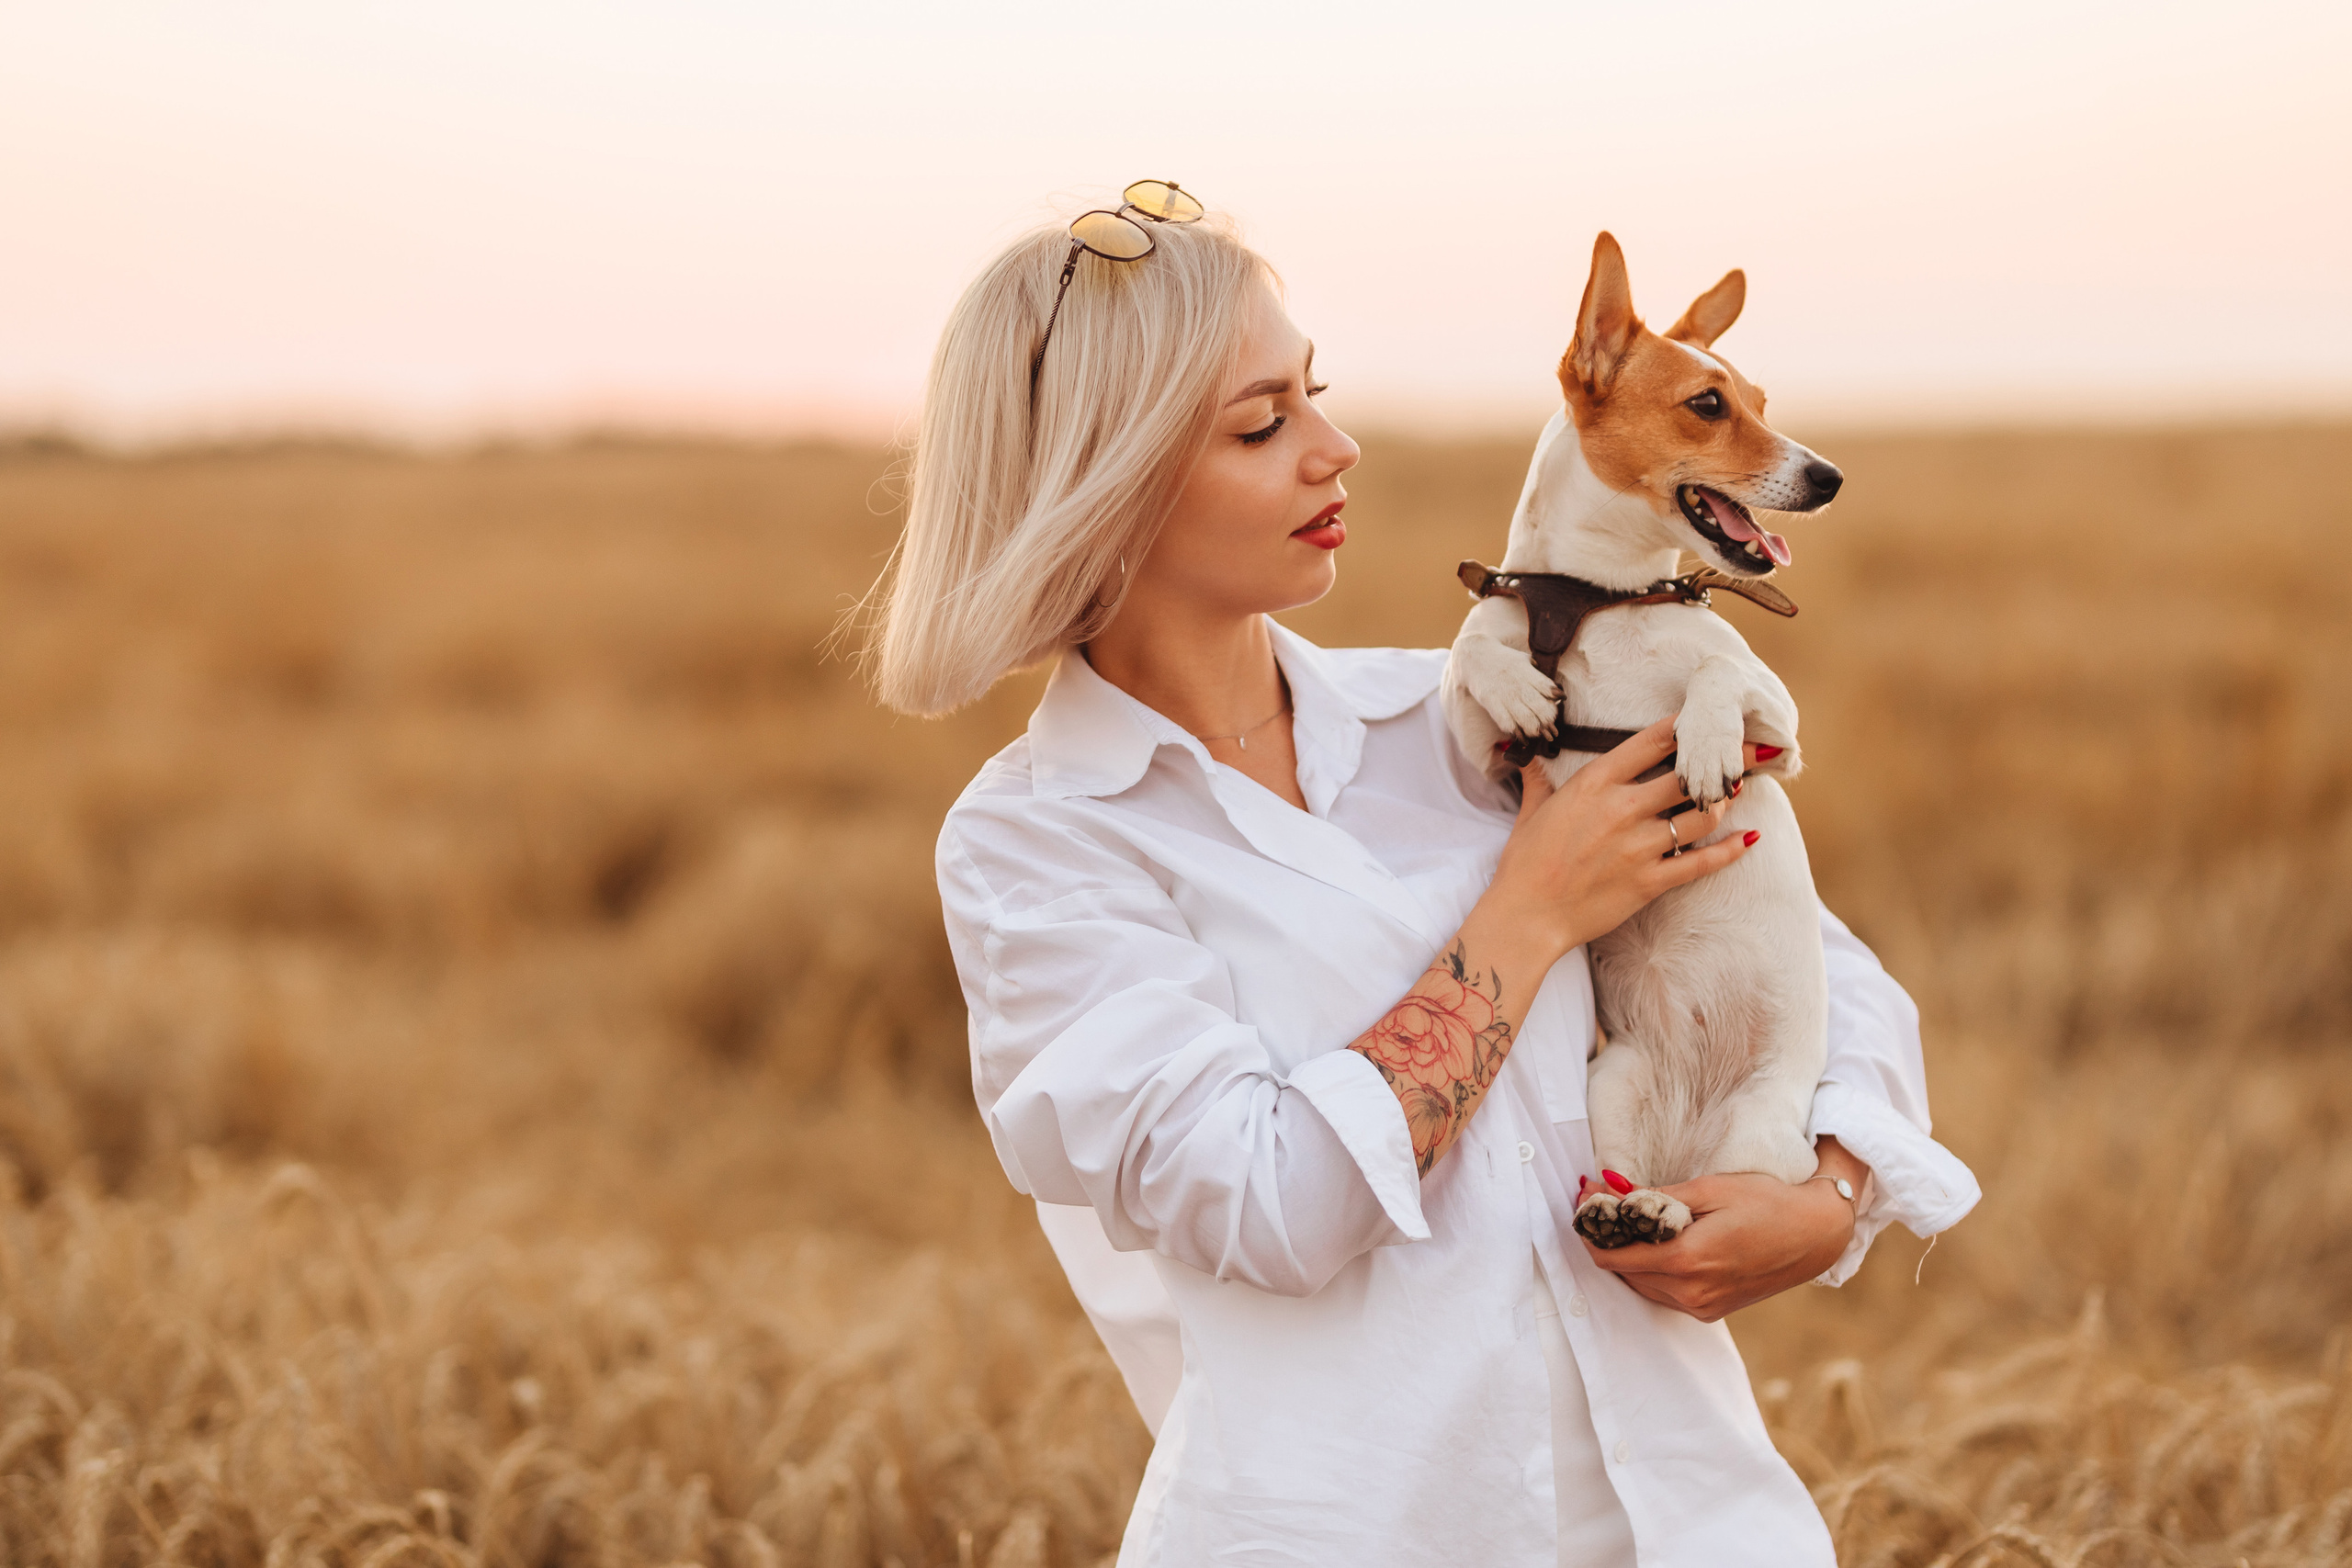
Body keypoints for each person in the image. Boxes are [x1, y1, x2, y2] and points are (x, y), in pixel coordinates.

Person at [868, 185, 1979, 1568]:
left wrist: (1827, 1198)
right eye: (1262, 425)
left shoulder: (1464, 717)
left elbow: (1800, 940)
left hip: (1701, 1529)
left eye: (1316, 396)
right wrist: (1530, 913)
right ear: (1109, 476)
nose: (1335, 450)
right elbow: (1267, 1201)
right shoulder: (1041, 846)